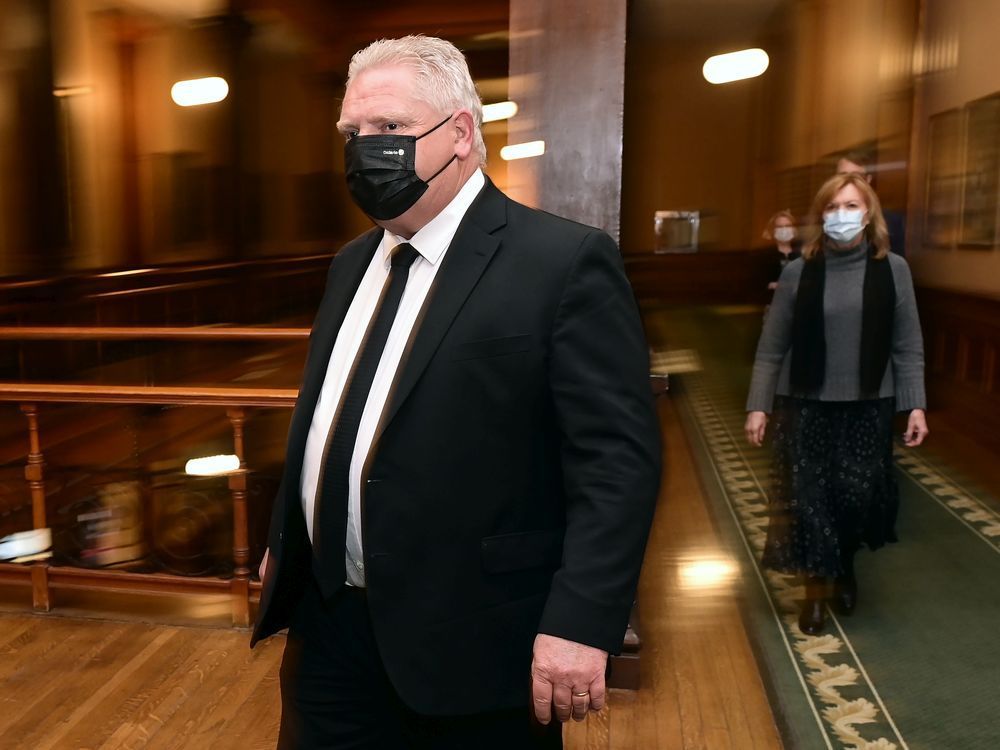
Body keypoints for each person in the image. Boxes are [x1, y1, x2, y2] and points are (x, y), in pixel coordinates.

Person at [250, 35, 661, 749]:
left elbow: (616, 462)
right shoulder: (351, 264)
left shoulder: (560, 263)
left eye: (390, 130)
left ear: (461, 134)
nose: (363, 149)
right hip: (331, 630)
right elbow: (332, 413)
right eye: (353, 132)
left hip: (474, 639)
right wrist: (290, 534)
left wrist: (581, 620)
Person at [744, 172, 928, 636]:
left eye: (850, 206)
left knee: (854, 495)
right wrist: (758, 405)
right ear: (819, 216)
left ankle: (844, 565)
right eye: (832, 207)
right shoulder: (798, 272)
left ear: (868, 214)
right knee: (811, 499)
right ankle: (816, 590)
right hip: (806, 403)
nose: (841, 215)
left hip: (869, 404)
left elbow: (908, 346)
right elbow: (771, 347)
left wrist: (915, 406)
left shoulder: (894, 270)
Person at [837, 150, 907, 257]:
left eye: (856, 177)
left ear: (868, 179)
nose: (849, 182)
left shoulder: (891, 222)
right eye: (843, 176)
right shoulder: (827, 216)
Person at [762, 210, 800, 293]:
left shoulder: (802, 254)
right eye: (779, 226)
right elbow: (757, 283)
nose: (784, 229)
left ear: (794, 229)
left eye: (788, 226)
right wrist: (770, 285)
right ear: (773, 230)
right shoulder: (764, 256)